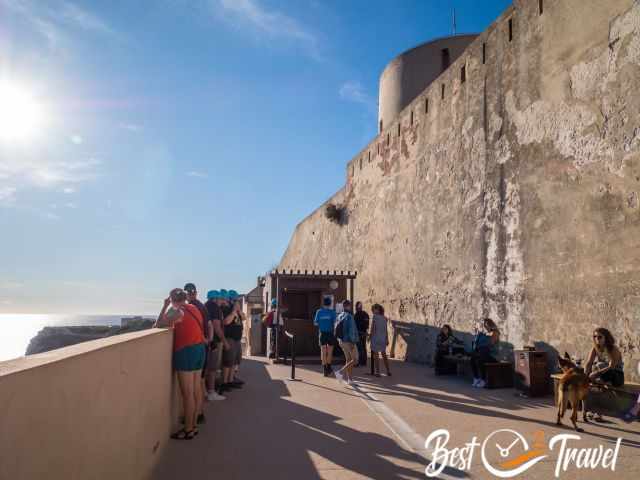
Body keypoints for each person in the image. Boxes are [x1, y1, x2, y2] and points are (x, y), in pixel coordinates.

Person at [156, 288, 205, 440]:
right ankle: (194, 425)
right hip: (199, 349)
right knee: (196, 389)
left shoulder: (178, 311)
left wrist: (164, 306)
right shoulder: (194, 308)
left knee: (187, 394)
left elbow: (158, 325)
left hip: (186, 351)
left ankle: (188, 430)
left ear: (172, 299)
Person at [184, 283, 212, 420]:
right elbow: (209, 325)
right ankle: (199, 413)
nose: (190, 294)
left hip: (196, 346)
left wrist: (204, 339)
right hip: (203, 346)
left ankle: (197, 415)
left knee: (197, 384)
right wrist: (209, 340)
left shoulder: (191, 307)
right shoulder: (202, 306)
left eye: (189, 292)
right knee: (200, 382)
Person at [204, 290, 227, 401]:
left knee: (207, 368)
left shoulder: (206, 306)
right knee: (212, 368)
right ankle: (211, 392)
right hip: (214, 341)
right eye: (220, 298)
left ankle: (205, 390)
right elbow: (216, 327)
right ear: (215, 298)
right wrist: (224, 341)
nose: (222, 301)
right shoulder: (214, 308)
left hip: (206, 341)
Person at [220, 291, 244, 392]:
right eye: (235, 300)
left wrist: (239, 311)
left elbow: (244, 318)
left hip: (237, 339)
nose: (237, 302)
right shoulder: (225, 309)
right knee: (228, 361)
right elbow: (226, 322)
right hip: (229, 338)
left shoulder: (235, 309)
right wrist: (234, 311)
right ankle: (224, 383)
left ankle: (230, 380)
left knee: (235, 361)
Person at [335, 300, 359, 385]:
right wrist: (353, 342)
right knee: (355, 360)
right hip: (349, 341)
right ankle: (340, 372)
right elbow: (351, 330)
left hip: (341, 341)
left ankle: (350, 379)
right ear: (348, 306)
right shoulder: (349, 316)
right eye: (350, 305)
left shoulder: (339, 315)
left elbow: (336, 328)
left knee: (348, 360)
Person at [470, 318, 500, 388]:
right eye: (483, 325)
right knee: (472, 359)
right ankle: (476, 378)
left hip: (493, 356)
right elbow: (476, 344)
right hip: (482, 353)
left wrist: (487, 334)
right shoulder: (481, 334)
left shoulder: (495, 333)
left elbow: (490, 344)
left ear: (490, 325)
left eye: (486, 324)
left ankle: (483, 380)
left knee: (481, 359)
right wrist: (478, 335)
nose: (484, 326)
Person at [314, 296, 337, 377]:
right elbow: (335, 323)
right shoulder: (332, 312)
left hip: (322, 333)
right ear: (330, 303)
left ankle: (324, 370)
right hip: (330, 333)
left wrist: (322, 323)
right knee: (330, 351)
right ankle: (329, 367)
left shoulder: (319, 312)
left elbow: (315, 323)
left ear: (323, 303)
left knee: (323, 352)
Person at [369, 304, 391, 377]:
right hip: (383, 338)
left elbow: (372, 328)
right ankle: (388, 371)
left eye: (373, 309)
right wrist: (387, 339)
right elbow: (385, 330)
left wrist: (370, 337)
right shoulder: (385, 318)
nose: (372, 311)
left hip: (375, 338)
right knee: (384, 355)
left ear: (377, 309)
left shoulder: (375, 317)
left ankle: (378, 372)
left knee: (376, 356)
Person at [354, 302, 370, 367]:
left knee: (359, 348)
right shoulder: (366, 314)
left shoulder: (356, 315)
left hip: (358, 333)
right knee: (363, 347)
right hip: (364, 333)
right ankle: (364, 362)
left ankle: (360, 362)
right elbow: (367, 324)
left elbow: (355, 325)